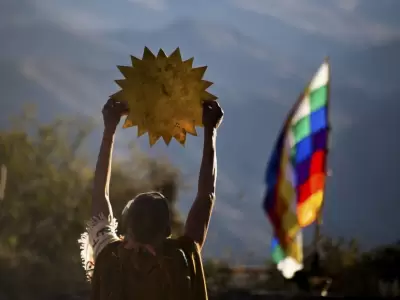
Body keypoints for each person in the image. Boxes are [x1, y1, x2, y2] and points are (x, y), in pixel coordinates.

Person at [78, 98, 224, 300]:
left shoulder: (109, 256)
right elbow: (206, 195)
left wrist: (109, 131)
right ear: (166, 230)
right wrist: (211, 131)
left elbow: (99, 195)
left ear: (126, 227)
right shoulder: (181, 258)